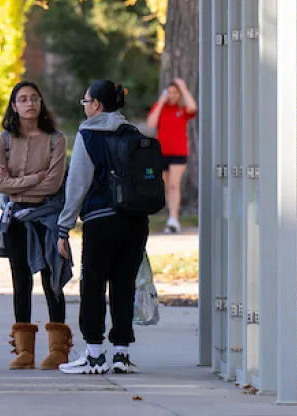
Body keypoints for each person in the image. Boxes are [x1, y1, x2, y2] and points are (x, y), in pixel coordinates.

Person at [58, 80, 149, 374]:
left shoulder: (88, 135)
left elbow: (77, 185)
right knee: (124, 285)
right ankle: (121, 353)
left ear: (96, 105)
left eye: (85, 101)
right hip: (135, 223)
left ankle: (95, 354)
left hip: (100, 221)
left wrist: (64, 227)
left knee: (94, 285)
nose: (84, 106)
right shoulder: (133, 134)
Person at [0, 81, 72, 370]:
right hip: (15, 220)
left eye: (34, 98)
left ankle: (59, 350)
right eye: (23, 99)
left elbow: (54, 183)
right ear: (14, 106)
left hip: (48, 219)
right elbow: (1, 184)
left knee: (53, 280)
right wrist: (34, 180)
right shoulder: (3, 141)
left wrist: (21, 186)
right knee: (20, 281)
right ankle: (24, 352)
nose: (29, 104)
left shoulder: (56, 139)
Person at [145, 78, 198, 234]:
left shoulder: (182, 109)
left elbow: (193, 107)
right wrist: (161, 102)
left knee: (174, 185)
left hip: (178, 152)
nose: (172, 95)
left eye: (175, 92)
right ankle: (171, 217)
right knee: (167, 186)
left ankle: (174, 219)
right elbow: (151, 124)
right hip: (162, 152)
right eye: (170, 92)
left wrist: (184, 88)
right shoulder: (161, 107)